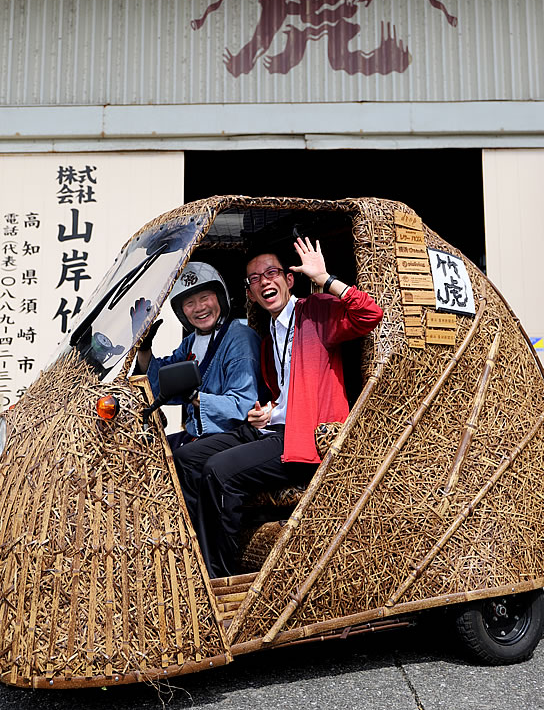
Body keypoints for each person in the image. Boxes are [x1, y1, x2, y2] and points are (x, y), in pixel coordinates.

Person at [173, 237, 383, 578]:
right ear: (251, 293)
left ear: (289, 279)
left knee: (218, 470)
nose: (264, 281)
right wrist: (267, 409)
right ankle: (196, 556)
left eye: (272, 272)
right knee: (185, 459)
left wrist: (324, 278)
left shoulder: (315, 312)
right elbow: (283, 393)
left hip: (304, 439)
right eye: (255, 279)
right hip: (270, 429)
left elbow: (369, 313)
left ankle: (221, 575)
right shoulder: (270, 330)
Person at [131, 261, 263, 450]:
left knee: (179, 460)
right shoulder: (191, 342)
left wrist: (195, 396)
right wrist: (144, 347)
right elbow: (162, 382)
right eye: (189, 303)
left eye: (205, 297)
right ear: (181, 311)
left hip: (233, 438)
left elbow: (242, 404)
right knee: (146, 452)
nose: (199, 307)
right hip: (198, 435)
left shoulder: (240, 339)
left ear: (220, 297)